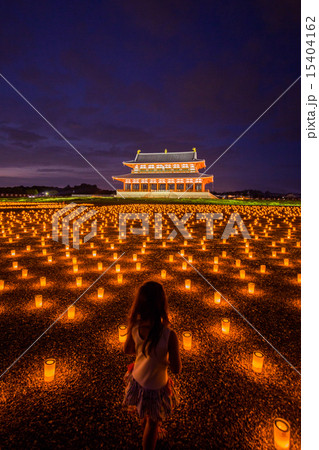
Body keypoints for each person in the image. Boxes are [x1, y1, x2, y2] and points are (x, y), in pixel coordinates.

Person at [123, 281, 181, 450]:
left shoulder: (135, 326)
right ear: (163, 305)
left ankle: (146, 426)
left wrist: (144, 350)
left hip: (138, 379)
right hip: (156, 386)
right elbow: (177, 369)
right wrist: (165, 359)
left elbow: (128, 349)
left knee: (145, 411)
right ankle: (150, 435)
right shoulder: (169, 335)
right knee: (153, 423)